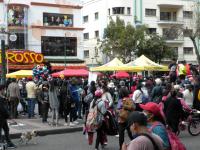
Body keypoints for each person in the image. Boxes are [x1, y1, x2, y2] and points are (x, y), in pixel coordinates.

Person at [0, 84, 16, 148]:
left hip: (3, 117)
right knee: (4, 130)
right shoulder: (1, 98)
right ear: (2, 90)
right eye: (4, 90)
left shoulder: (2, 97)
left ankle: (8, 143)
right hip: (1, 117)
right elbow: (3, 108)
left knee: (6, 129)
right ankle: (6, 143)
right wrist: (9, 116)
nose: (5, 91)